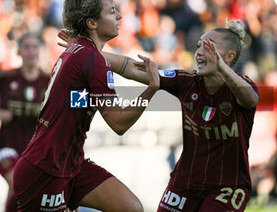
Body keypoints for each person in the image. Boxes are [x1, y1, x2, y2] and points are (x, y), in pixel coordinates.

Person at [59, 19, 259, 211]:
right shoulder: (186, 82)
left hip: (226, 187)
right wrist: (88, 53)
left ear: (229, 56)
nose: (198, 51)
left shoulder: (243, 87)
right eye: (198, 46)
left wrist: (222, 68)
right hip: (185, 183)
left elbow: (250, 99)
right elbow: (132, 68)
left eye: (208, 46)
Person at [13, 0, 160, 212]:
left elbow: (81, 99)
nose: (119, 15)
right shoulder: (91, 60)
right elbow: (118, 123)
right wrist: (150, 92)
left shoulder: (81, 52)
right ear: (92, 23)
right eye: (111, 11)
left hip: (71, 164)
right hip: (45, 170)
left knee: (131, 208)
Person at [0, 33, 50, 212]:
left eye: (34, 47)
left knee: (23, 189)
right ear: (19, 52)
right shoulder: (5, 77)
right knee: (18, 181)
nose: (31, 51)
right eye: (27, 47)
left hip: (33, 149)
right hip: (5, 145)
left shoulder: (49, 81)